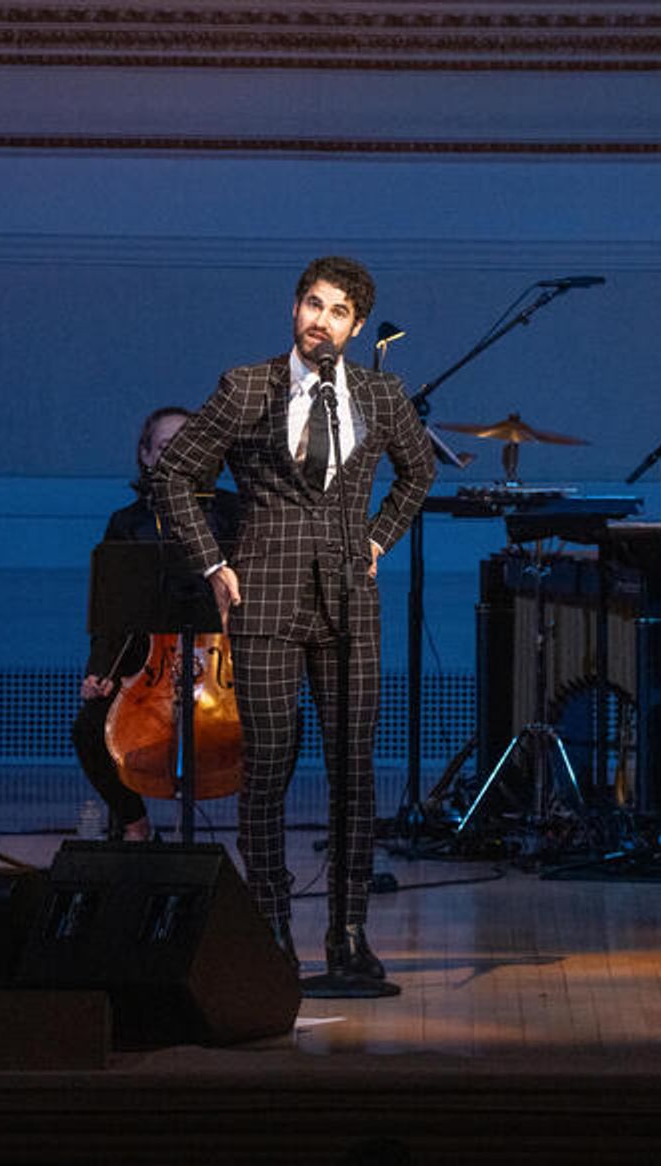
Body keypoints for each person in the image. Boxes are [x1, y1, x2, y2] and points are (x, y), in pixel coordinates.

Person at [150, 256, 435, 978]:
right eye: (313, 304)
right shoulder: (248, 385)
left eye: (339, 312)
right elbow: (174, 472)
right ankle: (272, 927)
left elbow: (419, 470)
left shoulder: (379, 391)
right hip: (265, 597)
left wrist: (378, 539)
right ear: (295, 308)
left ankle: (348, 933)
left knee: (353, 771)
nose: (322, 320)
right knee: (270, 765)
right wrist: (214, 563)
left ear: (358, 325)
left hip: (348, 600)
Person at [72, 406, 239, 842]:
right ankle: (134, 823)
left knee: (285, 722)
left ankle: (259, 828)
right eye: (166, 447)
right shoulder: (128, 524)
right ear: (146, 456)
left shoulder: (235, 514)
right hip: (149, 670)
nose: (179, 455)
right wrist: (101, 669)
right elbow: (113, 614)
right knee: (89, 727)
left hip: (223, 667)